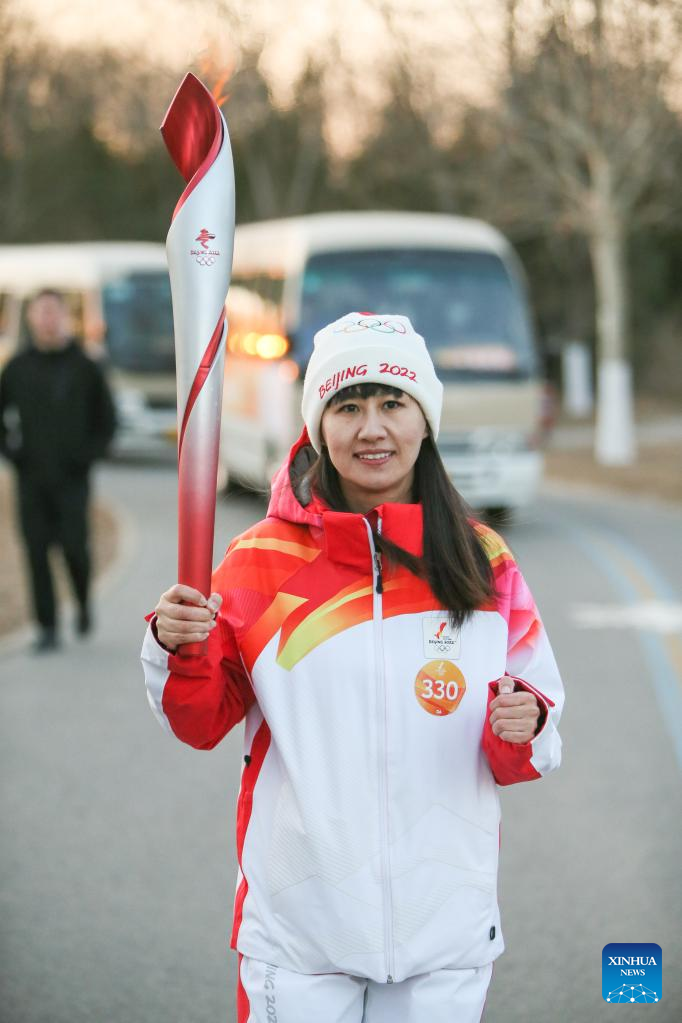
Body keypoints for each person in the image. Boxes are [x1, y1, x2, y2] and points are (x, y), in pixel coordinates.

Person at [141, 312, 564, 1023]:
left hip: (443, 932)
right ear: (317, 426)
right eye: (347, 406)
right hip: (301, 935)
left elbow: (531, 730)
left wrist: (525, 722)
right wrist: (175, 644)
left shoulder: (481, 560)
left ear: (425, 421)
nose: (372, 428)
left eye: (393, 403)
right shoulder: (259, 561)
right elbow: (200, 721)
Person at [0, 289, 117, 652]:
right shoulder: (17, 367)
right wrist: (13, 452)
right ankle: (47, 627)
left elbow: (107, 420)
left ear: (64, 317)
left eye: (53, 312)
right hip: (31, 477)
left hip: (72, 479)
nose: (48, 319)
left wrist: (87, 455)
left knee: (74, 548)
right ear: (31, 318)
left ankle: (82, 602)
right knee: (36, 551)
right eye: (41, 312)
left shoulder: (85, 366)